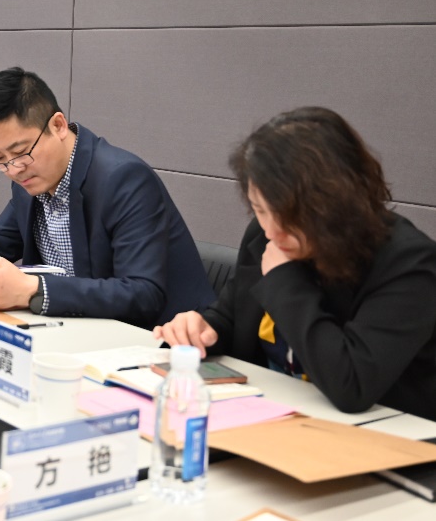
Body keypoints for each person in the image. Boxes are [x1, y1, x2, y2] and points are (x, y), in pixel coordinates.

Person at [154, 107, 436, 420]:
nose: (272, 231)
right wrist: (201, 330)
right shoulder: (265, 237)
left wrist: (283, 279)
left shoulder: (407, 264)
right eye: (260, 210)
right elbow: (231, 318)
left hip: (386, 435)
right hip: (272, 415)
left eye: (288, 215)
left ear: (337, 204)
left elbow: (352, 385)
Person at [0, 67, 214, 329]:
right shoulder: (29, 177)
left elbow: (142, 293)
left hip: (162, 343)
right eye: (0, 159)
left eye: (20, 152)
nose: (13, 169)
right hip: (78, 329)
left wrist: (32, 289)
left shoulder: (123, 179)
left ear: (57, 125)